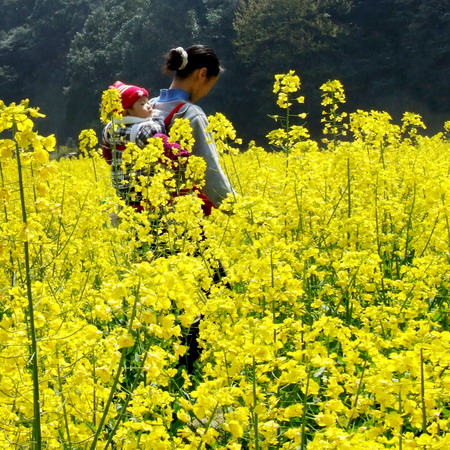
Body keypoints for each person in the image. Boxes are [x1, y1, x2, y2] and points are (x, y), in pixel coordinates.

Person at [151, 45, 235, 216]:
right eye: (210, 85)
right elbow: (210, 174)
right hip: (176, 219)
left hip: (139, 216)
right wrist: (242, 211)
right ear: (202, 74)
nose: (205, 94)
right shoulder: (190, 114)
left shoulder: (146, 106)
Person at [101, 81, 167, 208]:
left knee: (128, 213)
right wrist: (158, 119)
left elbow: (107, 149)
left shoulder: (110, 127)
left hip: (120, 184)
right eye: (142, 104)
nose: (149, 106)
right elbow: (156, 135)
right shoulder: (140, 130)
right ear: (125, 112)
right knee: (146, 215)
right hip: (141, 184)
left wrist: (109, 158)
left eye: (148, 102)